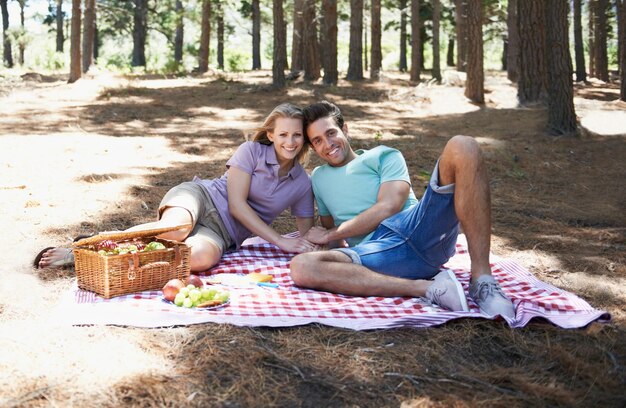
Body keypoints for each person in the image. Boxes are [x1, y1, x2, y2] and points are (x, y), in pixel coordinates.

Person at [290, 101, 515, 318]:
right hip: (378, 253)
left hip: (420, 229)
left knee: (463, 145)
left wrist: (331, 234)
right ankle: (427, 289)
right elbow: (336, 241)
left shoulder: (383, 155)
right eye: (317, 141)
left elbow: (389, 206)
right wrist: (322, 248)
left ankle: (482, 281)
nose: (327, 144)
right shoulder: (318, 178)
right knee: (302, 267)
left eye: (331, 133)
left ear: (345, 129)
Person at [36, 103, 317, 271]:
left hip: (222, 234)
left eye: (296, 135)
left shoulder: (302, 184)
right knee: (174, 230)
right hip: (201, 199)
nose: (290, 142)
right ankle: (85, 249)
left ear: (303, 139)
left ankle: (116, 251)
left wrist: (327, 241)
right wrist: (280, 240)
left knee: (199, 258)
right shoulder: (251, 151)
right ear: (270, 134)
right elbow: (236, 205)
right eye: (282, 134)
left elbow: (307, 234)